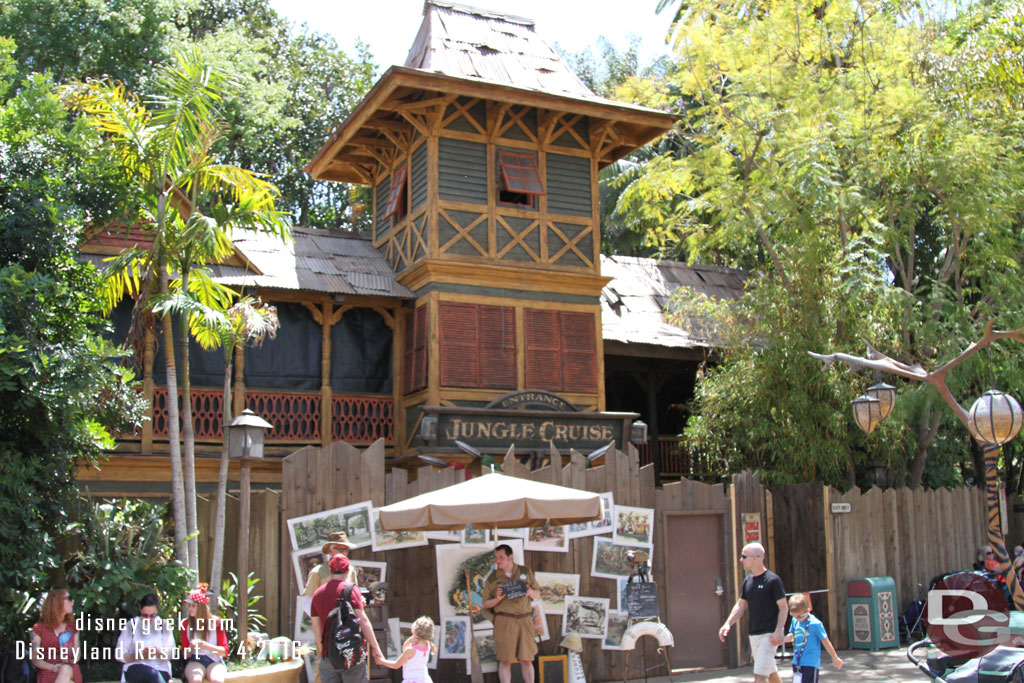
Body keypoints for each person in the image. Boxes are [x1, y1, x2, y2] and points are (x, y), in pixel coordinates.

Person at [718, 542, 788, 683]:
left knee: (760, 676)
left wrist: (779, 630)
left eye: (744, 556)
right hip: (754, 634)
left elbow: (783, 607)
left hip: (769, 636)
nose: (741, 560)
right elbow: (741, 605)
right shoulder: (748, 581)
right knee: (771, 672)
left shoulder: (773, 580)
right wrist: (728, 623)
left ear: (755, 558)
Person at [310, 554, 383, 683]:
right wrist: (376, 647)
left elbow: (317, 631)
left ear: (330, 570)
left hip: (329, 654)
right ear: (348, 570)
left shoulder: (317, 594)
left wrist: (323, 654)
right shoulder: (351, 590)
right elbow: (363, 621)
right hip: (352, 653)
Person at [481, 544, 541, 683]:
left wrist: (530, 592)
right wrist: (497, 599)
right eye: (496, 558)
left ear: (510, 557)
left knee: (527, 659)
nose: (498, 561)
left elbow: (538, 594)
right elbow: (485, 604)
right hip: (504, 621)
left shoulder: (525, 571)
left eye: (501, 557)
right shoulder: (492, 578)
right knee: (505, 660)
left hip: (524, 620)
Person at [116, 593, 175, 683]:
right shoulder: (131, 626)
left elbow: (172, 652)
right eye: (145, 615)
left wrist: (157, 653)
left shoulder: (164, 626)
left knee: (152, 674)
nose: (148, 619)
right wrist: (137, 656)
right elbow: (119, 653)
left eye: (152, 616)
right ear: (140, 610)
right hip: (135, 668)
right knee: (148, 672)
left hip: (159, 669)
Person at [782, 594, 842, 683]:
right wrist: (780, 640)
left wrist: (835, 658)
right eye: (794, 616)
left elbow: (825, 641)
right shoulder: (795, 621)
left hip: (810, 663)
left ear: (808, 610)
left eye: (800, 616)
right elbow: (792, 636)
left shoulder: (815, 624)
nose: (798, 619)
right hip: (797, 662)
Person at [30, 589, 82, 683]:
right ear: (57, 602)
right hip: (48, 670)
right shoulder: (39, 628)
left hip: (69, 670)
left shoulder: (73, 627)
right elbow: (35, 659)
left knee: (65, 669)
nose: (72, 601)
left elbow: (77, 654)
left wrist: (70, 659)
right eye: (69, 599)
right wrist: (53, 667)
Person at [180, 584, 229, 683]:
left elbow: (224, 652)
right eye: (189, 606)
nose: (190, 609)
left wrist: (205, 646)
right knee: (195, 680)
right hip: (195, 660)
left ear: (202, 607)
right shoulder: (185, 624)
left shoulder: (216, 623)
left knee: (217, 680)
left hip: (215, 660)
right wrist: (191, 648)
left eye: (193, 606)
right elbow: (185, 656)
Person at [304, 532, 358, 616]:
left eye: (346, 549)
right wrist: (322, 621)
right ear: (330, 550)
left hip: (348, 622)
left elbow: (355, 597)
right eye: (339, 549)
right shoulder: (317, 572)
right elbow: (308, 603)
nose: (343, 552)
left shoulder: (351, 570)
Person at [373, 616, 435, 683]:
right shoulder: (427, 644)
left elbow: (396, 665)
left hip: (412, 681)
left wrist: (382, 661)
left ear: (415, 630)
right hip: (425, 680)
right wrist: (408, 641)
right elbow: (404, 650)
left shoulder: (411, 650)